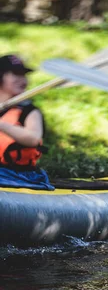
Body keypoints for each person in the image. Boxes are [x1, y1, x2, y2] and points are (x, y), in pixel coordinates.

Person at [0, 55, 52, 190]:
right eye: (16, 74)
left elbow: (33, 139)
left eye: (24, 75)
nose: (22, 80)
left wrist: (1, 125)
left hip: (19, 175)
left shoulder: (29, 111)